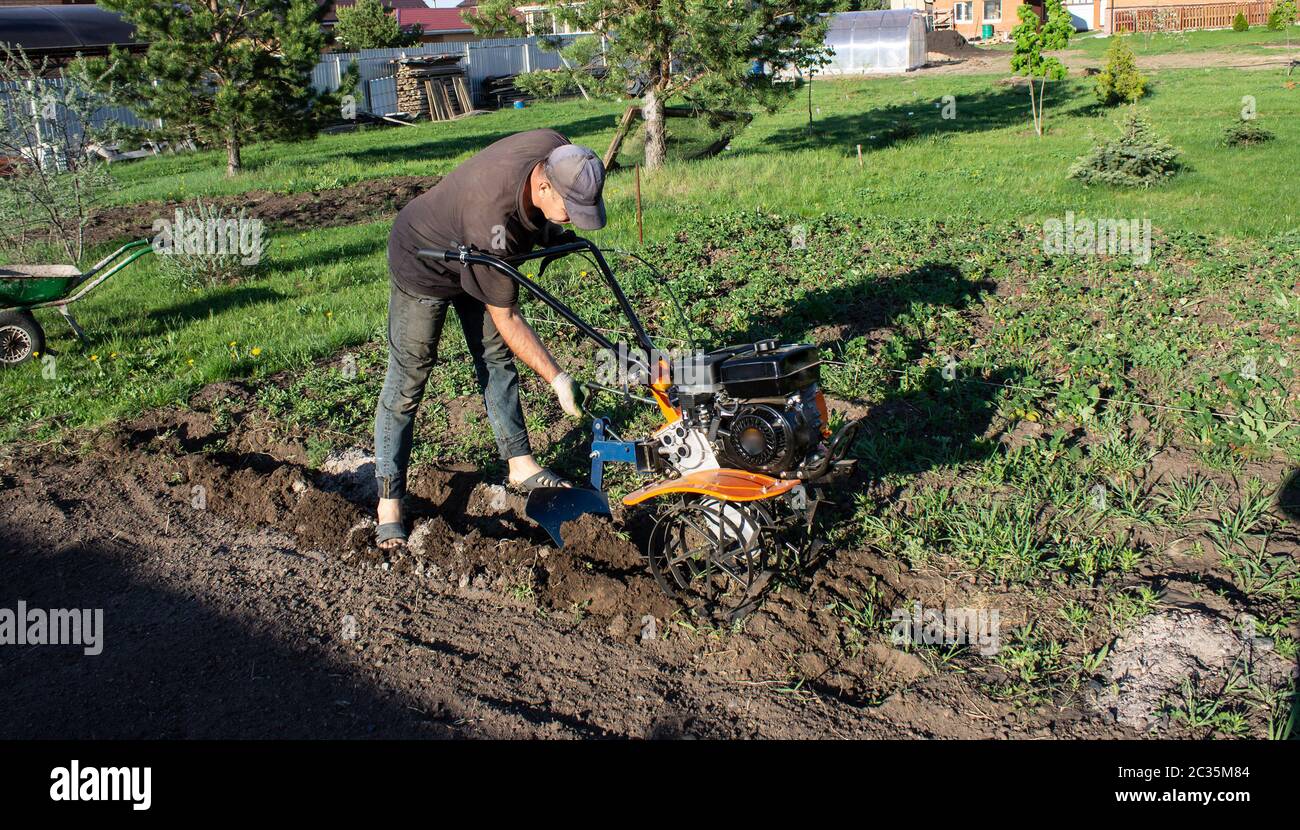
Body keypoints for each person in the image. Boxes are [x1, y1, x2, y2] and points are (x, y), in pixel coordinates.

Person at [374, 128, 606, 549]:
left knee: (495, 357)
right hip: (424, 263)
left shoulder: (560, 151)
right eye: (569, 207)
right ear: (543, 185)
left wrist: (552, 234)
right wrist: (557, 378)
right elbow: (508, 316)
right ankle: (389, 502)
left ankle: (520, 464)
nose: (573, 215)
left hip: (474, 251)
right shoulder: (491, 218)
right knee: (410, 379)